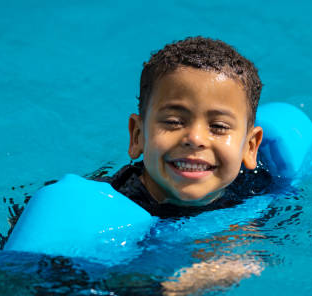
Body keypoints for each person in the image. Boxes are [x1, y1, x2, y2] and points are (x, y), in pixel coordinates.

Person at [100, 36, 275, 219]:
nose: (195, 138)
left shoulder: (257, 190)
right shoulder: (110, 207)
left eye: (218, 126)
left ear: (250, 147)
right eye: (173, 122)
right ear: (137, 136)